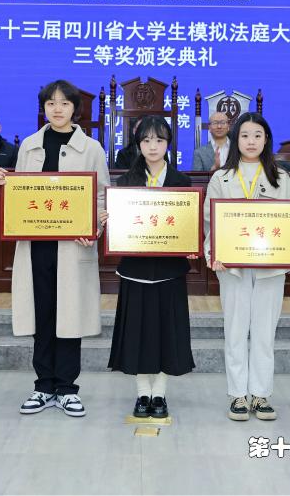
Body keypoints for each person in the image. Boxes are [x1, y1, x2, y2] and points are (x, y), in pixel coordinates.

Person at [0, 79, 110, 418]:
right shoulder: (30, 145)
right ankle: (43, 385)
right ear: (43, 107)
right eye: (50, 103)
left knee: (69, 315)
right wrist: (6, 186)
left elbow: (101, 196)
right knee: (42, 313)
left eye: (64, 103)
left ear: (75, 108)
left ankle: (67, 388)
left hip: (73, 247)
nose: (57, 109)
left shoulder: (91, 148)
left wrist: (93, 228)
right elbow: (21, 196)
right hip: (36, 246)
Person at [203, 112, 290, 421]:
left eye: (257, 135)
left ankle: (261, 394)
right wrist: (214, 253)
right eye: (245, 135)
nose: (251, 141)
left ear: (266, 140)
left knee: (265, 332)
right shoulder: (221, 178)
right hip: (232, 265)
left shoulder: (282, 178)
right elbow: (210, 221)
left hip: (271, 267)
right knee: (235, 330)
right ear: (235, 140)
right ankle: (238, 394)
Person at [108, 115, 196, 419]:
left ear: (168, 143)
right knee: (137, 333)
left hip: (170, 270)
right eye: (146, 140)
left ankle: (160, 393)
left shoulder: (182, 183)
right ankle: (142, 393)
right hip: (135, 269)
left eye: (159, 140)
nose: (153, 146)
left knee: (166, 333)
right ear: (138, 144)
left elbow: (188, 226)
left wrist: (191, 241)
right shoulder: (125, 183)